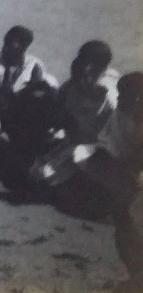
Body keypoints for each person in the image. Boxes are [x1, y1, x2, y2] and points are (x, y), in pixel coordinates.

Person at [74, 73, 143, 290]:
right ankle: (137, 274)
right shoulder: (119, 113)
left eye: (129, 96)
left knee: (130, 220)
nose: (122, 100)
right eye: (121, 94)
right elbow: (108, 143)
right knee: (124, 224)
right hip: (126, 171)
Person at [30, 40, 119, 189]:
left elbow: (114, 135)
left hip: (101, 147)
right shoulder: (74, 83)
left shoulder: (110, 94)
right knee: (37, 174)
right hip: (74, 140)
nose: (83, 65)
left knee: (72, 162)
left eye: (89, 63)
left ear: (101, 67)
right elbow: (60, 111)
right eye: (82, 60)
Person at [0, 25, 60, 190]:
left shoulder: (34, 66)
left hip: (24, 114)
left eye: (12, 47)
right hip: (2, 112)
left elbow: (36, 96)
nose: (6, 50)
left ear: (24, 48)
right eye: (6, 44)